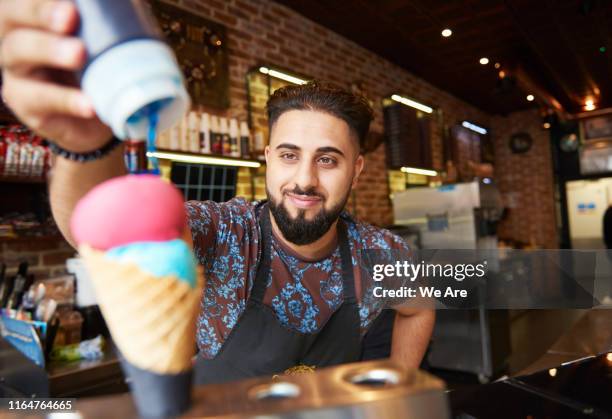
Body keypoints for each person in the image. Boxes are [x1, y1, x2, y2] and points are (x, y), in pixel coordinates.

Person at [0, 0, 434, 383]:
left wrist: (396, 391)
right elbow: (111, 235)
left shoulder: (380, 253)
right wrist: (84, 144)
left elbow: (421, 307)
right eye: (288, 155)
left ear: (356, 169)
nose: (304, 180)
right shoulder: (226, 232)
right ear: (267, 157)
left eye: (327, 159)